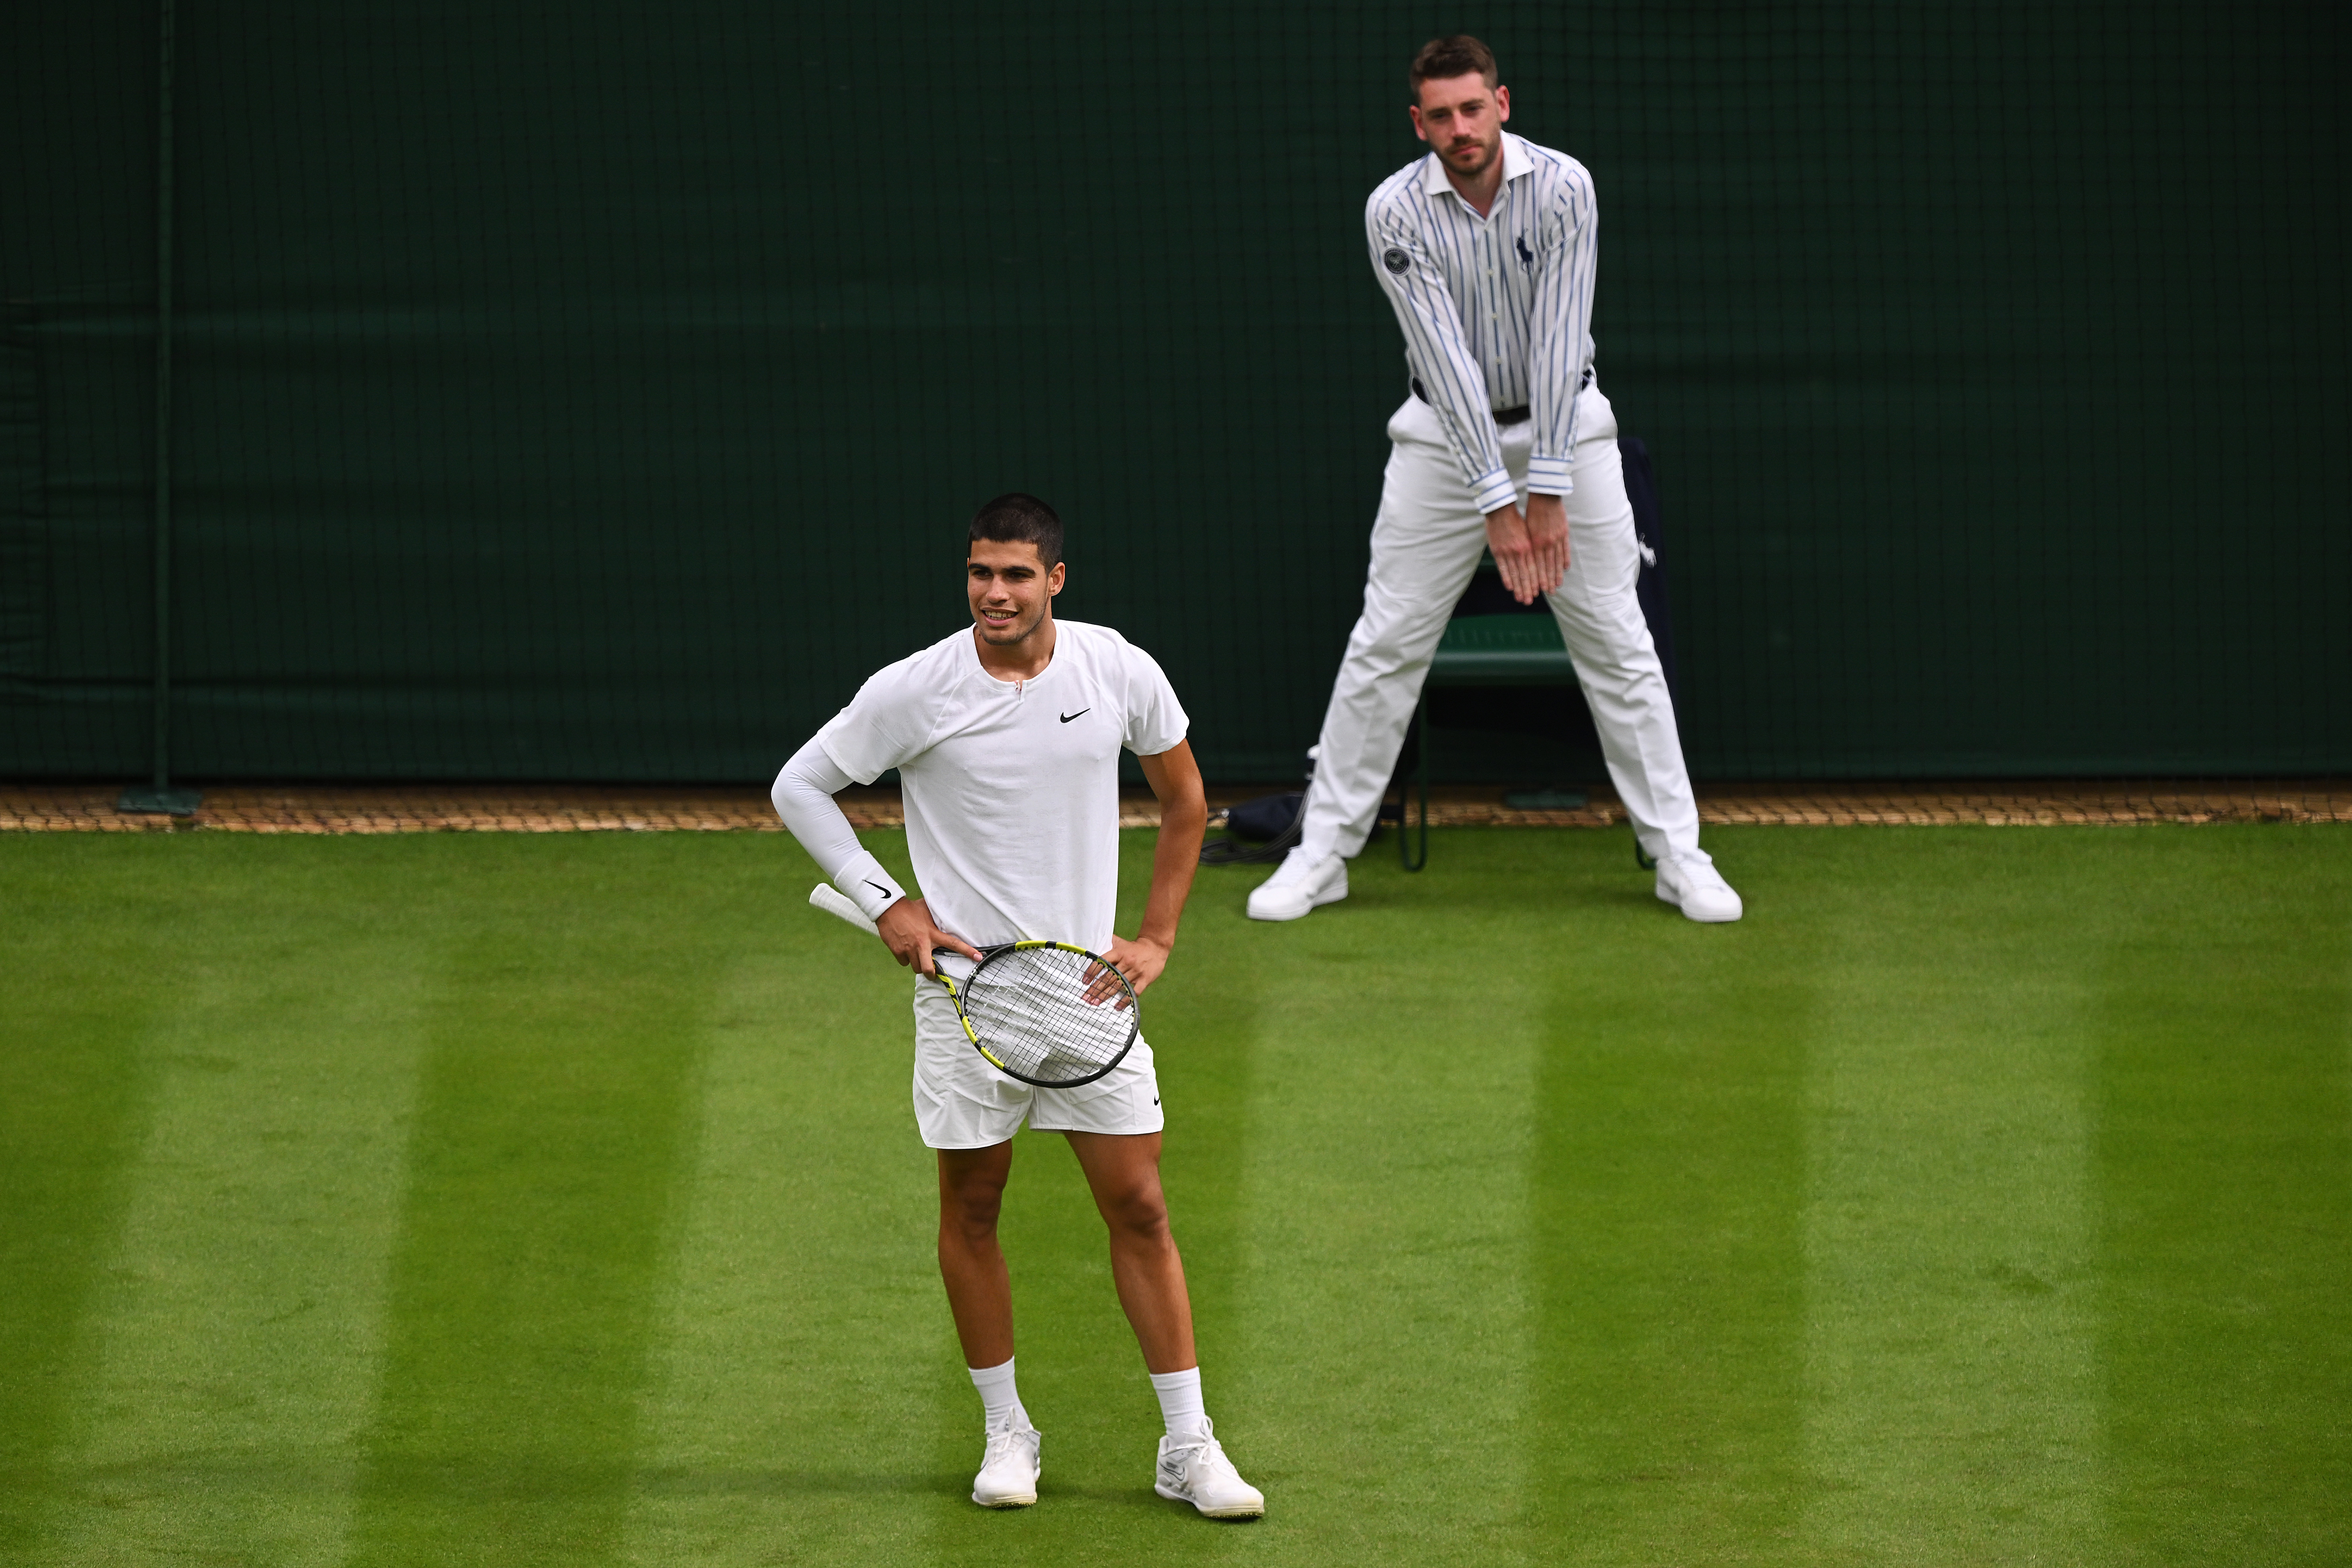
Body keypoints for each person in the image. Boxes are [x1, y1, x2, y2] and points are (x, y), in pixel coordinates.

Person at [769, 493, 1265, 1519]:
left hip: (1088, 993)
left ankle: (1187, 1443)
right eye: (980, 574)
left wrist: (1159, 936)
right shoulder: (916, 689)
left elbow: (1186, 802)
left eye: (1015, 575)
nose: (995, 594)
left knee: (1140, 1205)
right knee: (974, 1209)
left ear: (1056, 581)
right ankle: (1007, 1428)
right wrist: (887, 902)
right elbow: (798, 786)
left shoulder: (1116, 668)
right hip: (965, 1001)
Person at [1248, 35, 1742, 925]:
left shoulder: (1563, 187)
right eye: (1440, 115)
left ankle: (1680, 855)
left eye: (1473, 108)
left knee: (1620, 646)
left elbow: (1560, 346)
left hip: (1570, 432)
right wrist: (1496, 505)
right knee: (1387, 641)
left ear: (1502, 104)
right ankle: (1321, 856)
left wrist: (1543, 491)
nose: (1459, 128)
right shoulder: (1393, 210)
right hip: (1440, 440)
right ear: (1418, 122)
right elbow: (1446, 361)